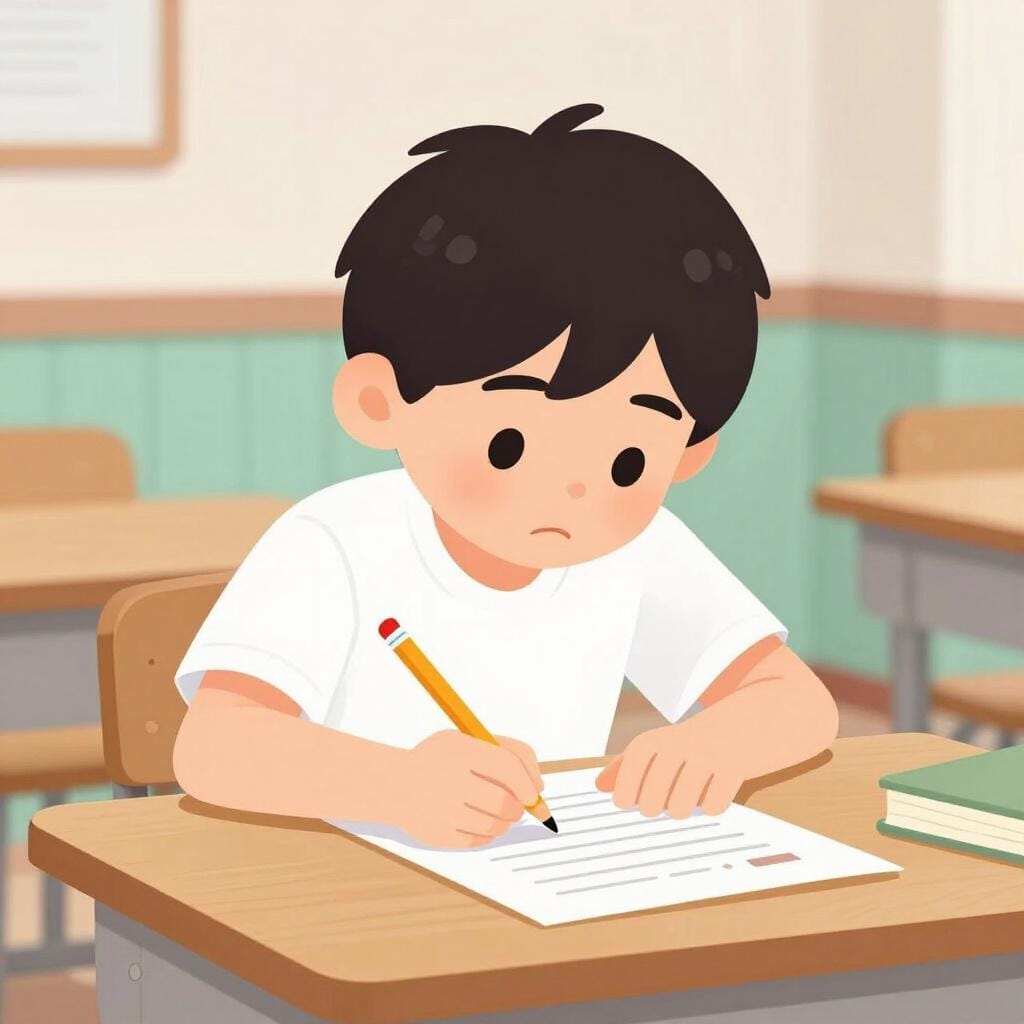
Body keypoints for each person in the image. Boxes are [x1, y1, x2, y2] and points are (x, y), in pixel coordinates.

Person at [173, 104, 838, 848]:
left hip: (540, 882)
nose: (575, 490)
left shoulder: (639, 547)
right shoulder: (335, 543)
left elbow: (798, 701)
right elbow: (213, 747)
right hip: (350, 889)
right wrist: (397, 787)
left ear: (687, 455)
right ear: (377, 402)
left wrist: (715, 747)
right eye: (510, 445)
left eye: (627, 463)